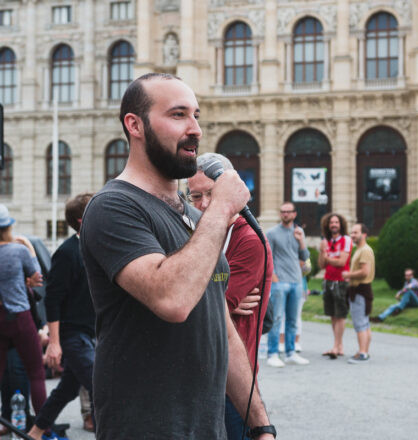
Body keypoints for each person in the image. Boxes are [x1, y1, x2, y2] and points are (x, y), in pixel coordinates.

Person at [80, 73, 276, 440]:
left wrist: (261, 424)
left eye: (197, 115)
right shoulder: (113, 207)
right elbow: (172, 300)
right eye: (178, 115)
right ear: (134, 125)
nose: (196, 129)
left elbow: (222, 328)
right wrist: (221, 209)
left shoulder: (196, 219)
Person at [187, 152, 274, 440]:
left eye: (210, 193)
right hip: (203, 371)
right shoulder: (208, 234)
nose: (203, 205)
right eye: (195, 196)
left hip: (232, 376)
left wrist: (213, 299)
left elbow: (200, 307)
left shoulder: (248, 239)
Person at [28, 193, 95, 440]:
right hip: (73, 335)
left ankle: (34, 433)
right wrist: (54, 343)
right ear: (81, 219)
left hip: (91, 333)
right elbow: (52, 300)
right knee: (101, 388)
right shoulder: (67, 253)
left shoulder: (95, 247)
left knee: (67, 390)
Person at [0, 204, 47, 427]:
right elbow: (37, 277)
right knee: (36, 373)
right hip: (20, 316)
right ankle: (43, 427)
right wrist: (29, 247)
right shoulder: (17, 251)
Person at [265, 202, 310, 368]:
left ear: (294, 214)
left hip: (296, 281)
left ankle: (291, 353)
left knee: (292, 320)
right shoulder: (272, 233)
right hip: (279, 281)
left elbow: (305, 257)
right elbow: (267, 256)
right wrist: (273, 276)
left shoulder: (299, 232)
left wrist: (302, 241)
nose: (285, 214)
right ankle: (273, 353)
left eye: (288, 212)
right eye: (282, 212)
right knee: (276, 319)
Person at [318, 212, 353, 359]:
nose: (334, 225)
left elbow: (341, 262)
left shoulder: (345, 240)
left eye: (336, 223)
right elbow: (321, 265)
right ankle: (337, 345)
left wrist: (328, 258)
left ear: (341, 225)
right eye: (331, 223)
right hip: (328, 281)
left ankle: (337, 346)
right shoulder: (326, 241)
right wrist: (321, 251)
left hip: (341, 282)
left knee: (340, 314)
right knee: (332, 314)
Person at [342, 223, 375, 364]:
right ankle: (364, 351)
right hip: (360, 289)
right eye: (352, 232)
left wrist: (348, 274)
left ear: (364, 234)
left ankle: (362, 354)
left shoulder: (365, 251)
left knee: (360, 323)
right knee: (365, 323)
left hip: (360, 290)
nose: (352, 235)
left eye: (356, 232)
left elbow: (365, 272)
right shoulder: (360, 249)